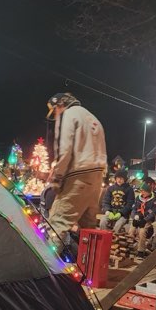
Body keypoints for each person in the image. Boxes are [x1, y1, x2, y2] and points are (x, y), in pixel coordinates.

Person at [46, 92, 108, 251]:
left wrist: (57, 178)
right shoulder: (94, 119)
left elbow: (63, 149)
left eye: (55, 111)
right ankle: (89, 269)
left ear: (59, 105)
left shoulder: (68, 115)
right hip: (96, 178)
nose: (56, 115)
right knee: (89, 228)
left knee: (57, 224)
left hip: (78, 176)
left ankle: (47, 271)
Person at [130, 183, 156, 258]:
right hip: (137, 218)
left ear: (148, 192)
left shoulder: (154, 200)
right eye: (141, 191)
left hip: (146, 220)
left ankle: (141, 250)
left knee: (142, 232)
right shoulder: (138, 198)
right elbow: (134, 208)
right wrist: (134, 217)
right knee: (131, 230)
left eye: (144, 191)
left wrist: (145, 219)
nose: (142, 193)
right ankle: (130, 247)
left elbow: (153, 211)